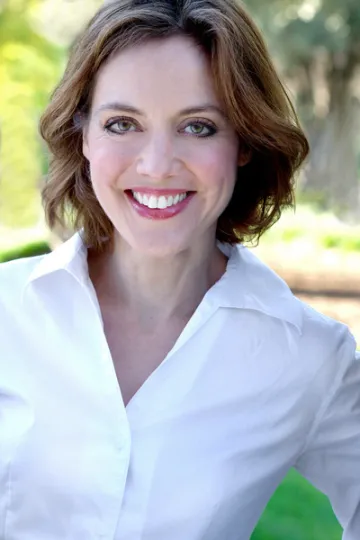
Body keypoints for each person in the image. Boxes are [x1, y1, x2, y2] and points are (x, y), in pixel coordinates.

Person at [0, 0, 359, 538]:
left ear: (243, 142)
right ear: (84, 136)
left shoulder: (309, 357)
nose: (157, 164)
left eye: (198, 127)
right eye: (123, 123)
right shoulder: (8, 313)